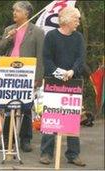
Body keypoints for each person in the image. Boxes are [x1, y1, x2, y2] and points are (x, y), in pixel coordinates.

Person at [39, 6, 86, 167]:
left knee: (71, 117)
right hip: (54, 82)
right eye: (76, 19)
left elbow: (81, 58)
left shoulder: (78, 37)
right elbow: (47, 59)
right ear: (66, 19)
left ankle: (73, 154)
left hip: (73, 82)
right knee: (51, 117)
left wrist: (72, 71)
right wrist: (60, 73)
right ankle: (46, 152)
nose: (78, 23)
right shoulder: (51, 36)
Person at [0, 1, 45, 152]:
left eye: (17, 11)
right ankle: (7, 139)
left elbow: (40, 55)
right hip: (9, 73)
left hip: (27, 75)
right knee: (9, 106)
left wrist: (38, 77)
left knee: (25, 107)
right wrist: (8, 38)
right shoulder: (8, 29)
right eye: (13, 11)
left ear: (26, 13)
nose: (14, 13)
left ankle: (25, 139)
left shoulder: (37, 32)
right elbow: (0, 51)